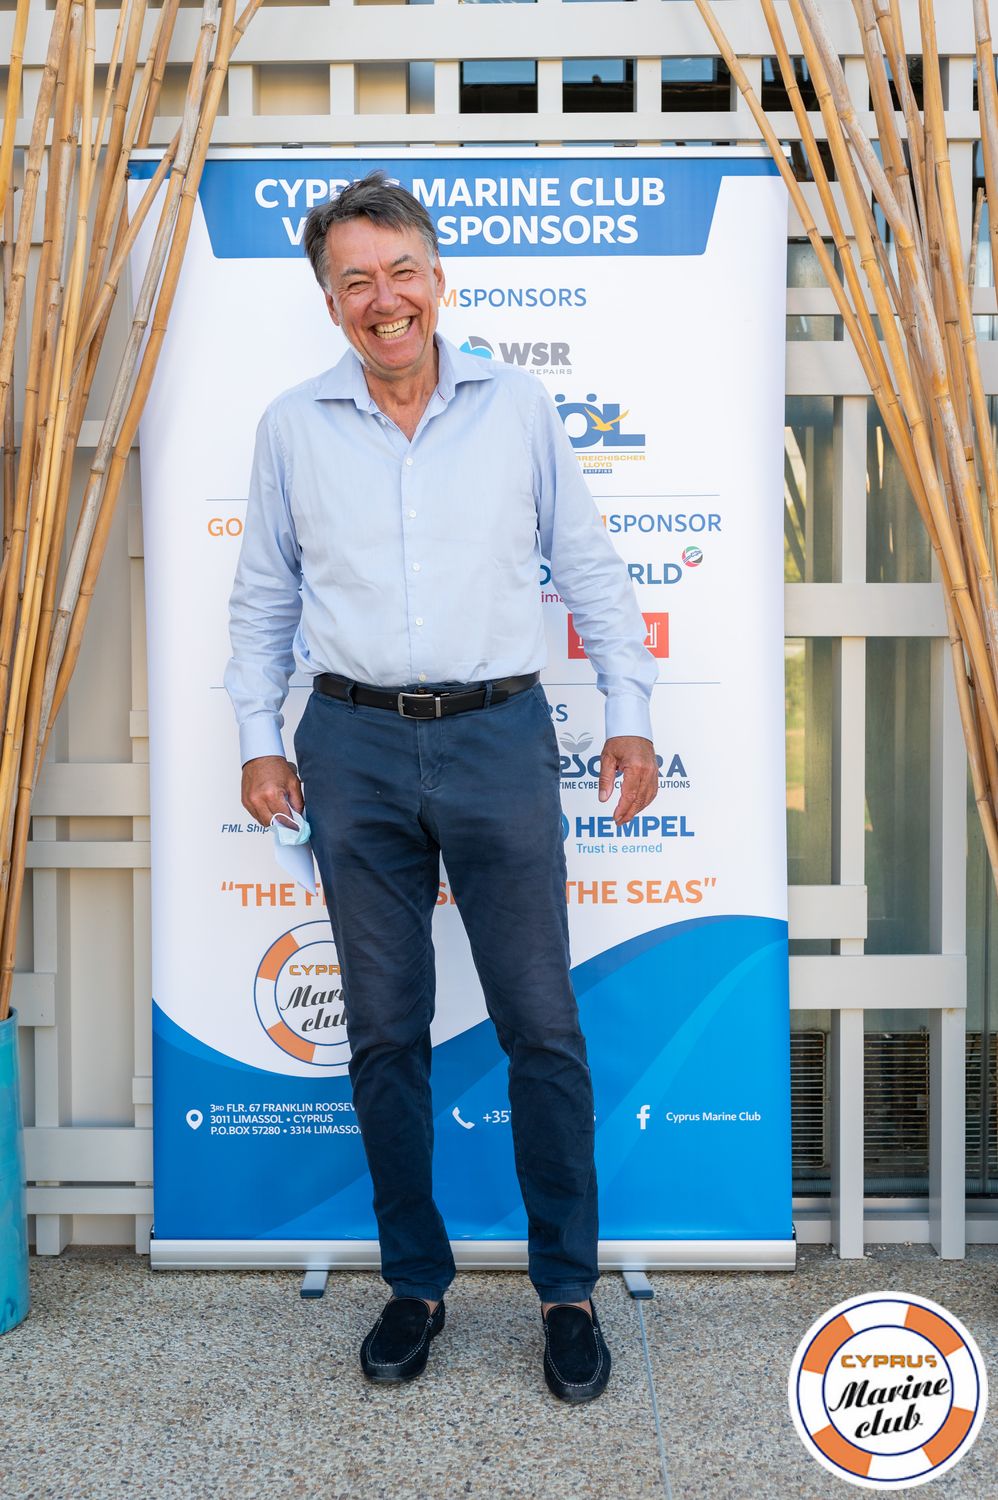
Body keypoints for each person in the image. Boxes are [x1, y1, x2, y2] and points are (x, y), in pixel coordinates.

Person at [225, 172, 658, 1403]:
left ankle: (566, 1290)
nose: (384, 299)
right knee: (381, 1032)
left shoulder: (515, 408)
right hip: (350, 745)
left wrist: (628, 714)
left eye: (401, 271)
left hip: (498, 736)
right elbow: (262, 595)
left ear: (437, 280)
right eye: (355, 280)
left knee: (540, 1026)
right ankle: (413, 1282)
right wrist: (258, 737)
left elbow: (588, 568)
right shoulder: (291, 427)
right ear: (330, 302)